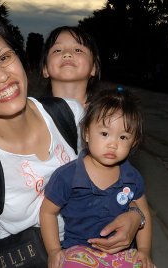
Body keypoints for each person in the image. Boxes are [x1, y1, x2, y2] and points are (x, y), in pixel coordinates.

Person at [0, 13, 142, 267]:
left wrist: (135, 215)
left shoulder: (70, 115)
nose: (1, 76)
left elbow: (117, 180)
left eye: (4, 57)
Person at [40, 88, 154, 268]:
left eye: (123, 137)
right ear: (86, 133)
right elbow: (48, 212)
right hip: (79, 252)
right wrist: (54, 250)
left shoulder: (132, 177)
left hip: (121, 252)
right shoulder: (67, 176)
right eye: (104, 134)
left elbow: (144, 213)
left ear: (134, 142)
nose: (113, 144)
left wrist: (145, 251)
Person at [0, 25, 101, 152]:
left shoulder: (108, 113)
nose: (67, 53)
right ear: (45, 68)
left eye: (78, 49)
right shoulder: (31, 111)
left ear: (94, 67)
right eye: (57, 50)